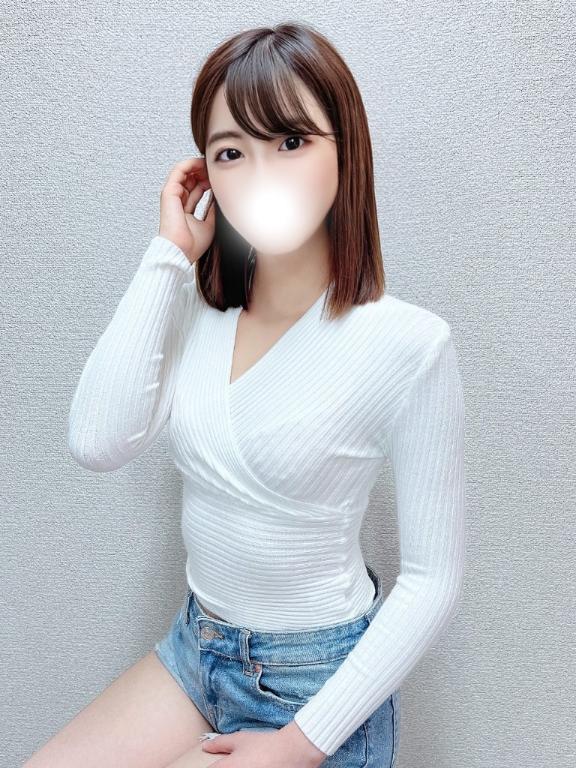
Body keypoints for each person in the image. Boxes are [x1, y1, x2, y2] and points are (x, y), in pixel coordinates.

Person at [25, 21, 466, 768]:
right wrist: (170, 253)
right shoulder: (198, 311)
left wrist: (298, 745)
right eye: (231, 152)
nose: (262, 174)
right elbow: (97, 441)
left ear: (346, 150)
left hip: (312, 686)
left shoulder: (410, 344)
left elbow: (433, 581)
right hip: (197, 649)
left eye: (290, 141)